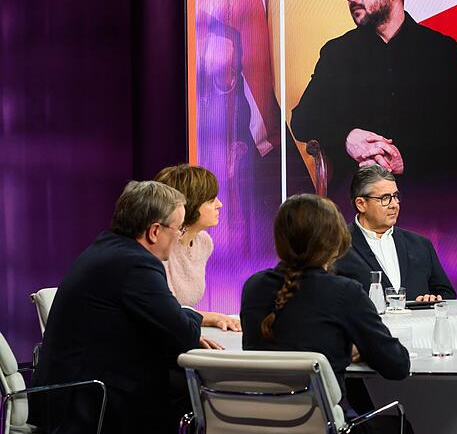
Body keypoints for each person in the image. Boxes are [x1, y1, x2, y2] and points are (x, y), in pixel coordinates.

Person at [289, 0, 457, 282]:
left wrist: (406, 159)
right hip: (361, 180)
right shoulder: (337, 53)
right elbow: (303, 120)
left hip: (434, 174)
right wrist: (347, 138)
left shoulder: (441, 50)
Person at [31, 181, 222, 434]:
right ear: (155, 231)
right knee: (200, 400)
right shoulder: (136, 265)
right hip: (91, 403)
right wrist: (190, 316)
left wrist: (182, 317)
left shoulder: (108, 247)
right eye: (178, 229)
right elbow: (184, 336)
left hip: (69, 394)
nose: (178, 237)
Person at [241, 194, 411, 433]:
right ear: (335, 241)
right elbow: (397, 365)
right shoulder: (344, 292)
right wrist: (357, 347)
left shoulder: (254, 287)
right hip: (324, 424)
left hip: (261, 423)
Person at [334, 165, 456, 302]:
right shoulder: (337, 246)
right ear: (361, 204)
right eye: (385, 198)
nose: (394, 205)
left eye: (395, 196)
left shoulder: (421, 245)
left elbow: (446, 294)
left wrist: (433, 299)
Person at [154, 164, 240, 331]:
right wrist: (212, 317)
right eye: (211, 200)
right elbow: (165, 309)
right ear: (189, 205)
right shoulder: (161, 244)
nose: (220, 204)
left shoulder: (204, 243)